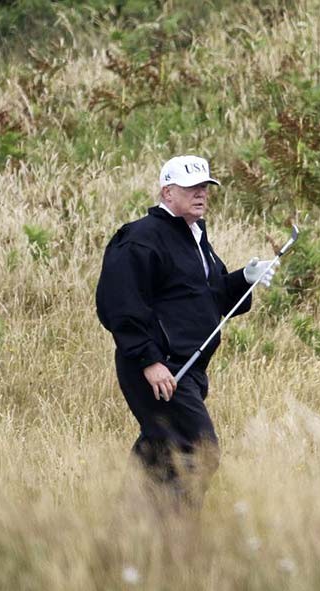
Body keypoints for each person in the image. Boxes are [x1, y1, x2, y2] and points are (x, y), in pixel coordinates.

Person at [95, 154, 275, 509]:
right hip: (158, 368)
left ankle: (128, 535)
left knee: (160, 450)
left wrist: (244, 279)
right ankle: (173, 535)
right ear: (167, 192)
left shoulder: (195, 236)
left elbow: (210, 298)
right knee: (198, 449)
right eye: (191, 188)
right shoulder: (140, 238)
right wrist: (149, 360)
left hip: (187, 369)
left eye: (205, 187)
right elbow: (118, 304)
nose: (201, 195)